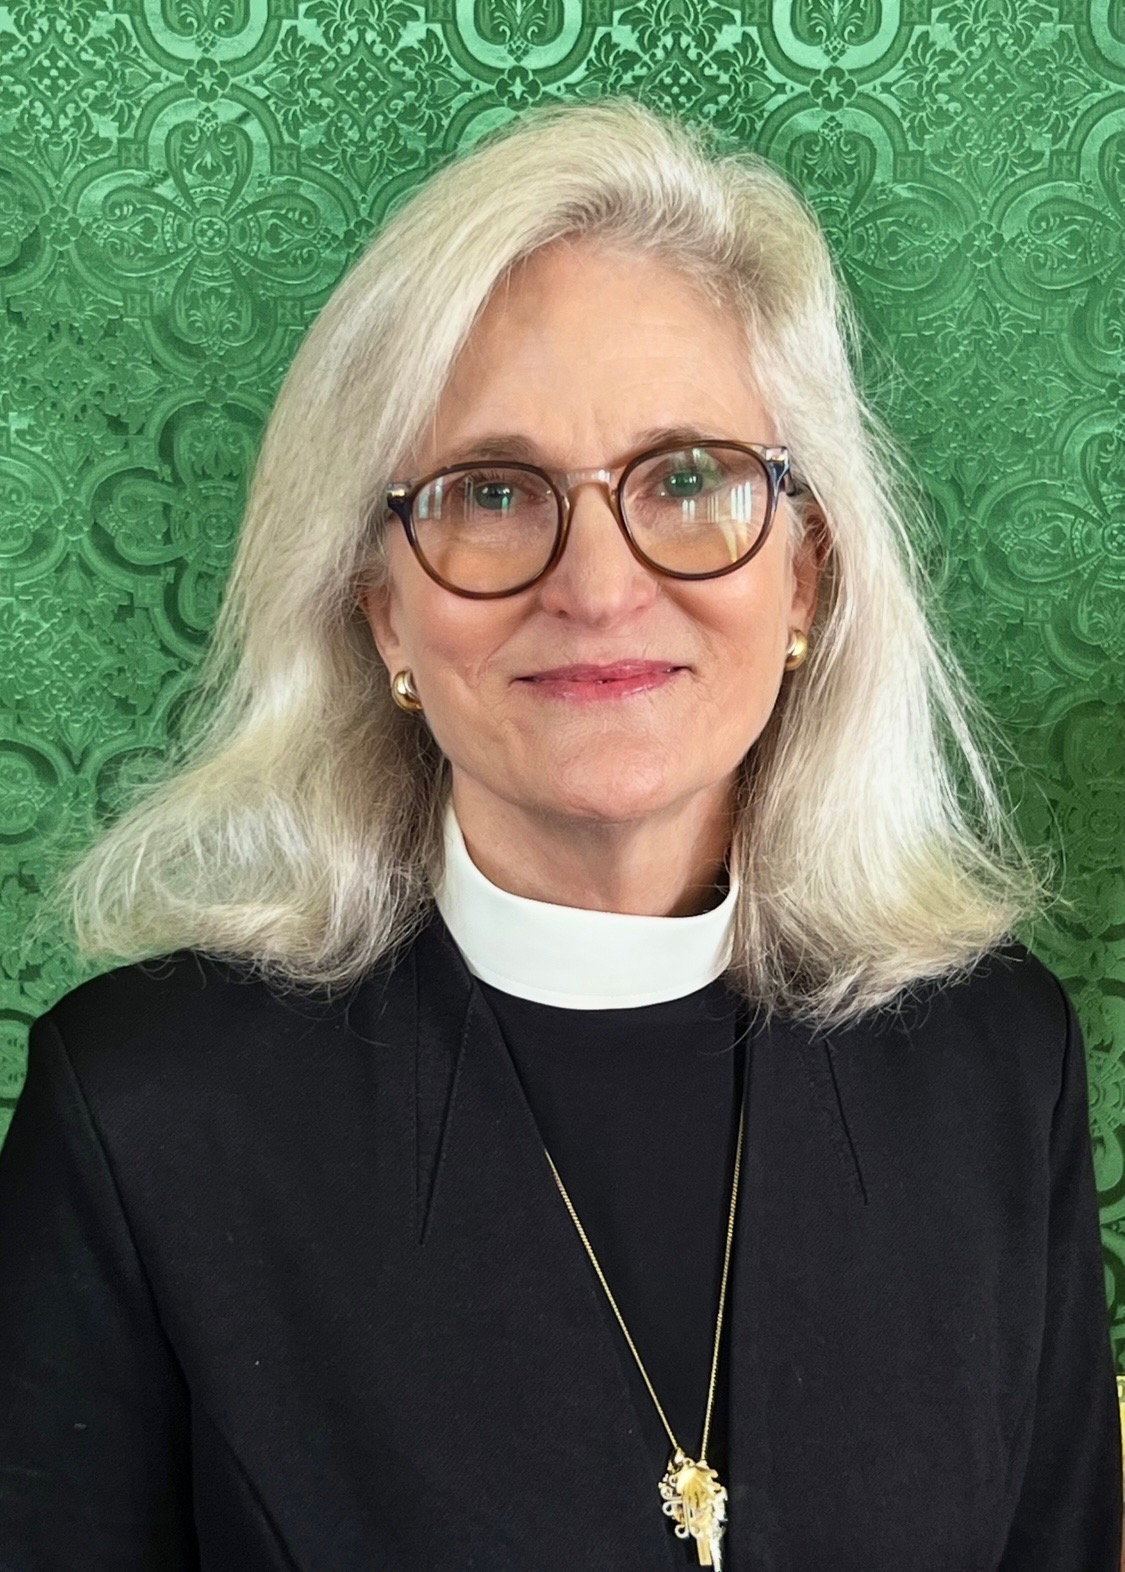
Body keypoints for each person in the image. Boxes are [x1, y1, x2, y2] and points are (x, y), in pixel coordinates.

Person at [0, 96, 1119, 1571]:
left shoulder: (995, 1060)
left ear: (805, 576)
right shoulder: (146, 1112)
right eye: (491, 493)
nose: (596, 586)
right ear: (382, 607)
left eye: (689, 479)